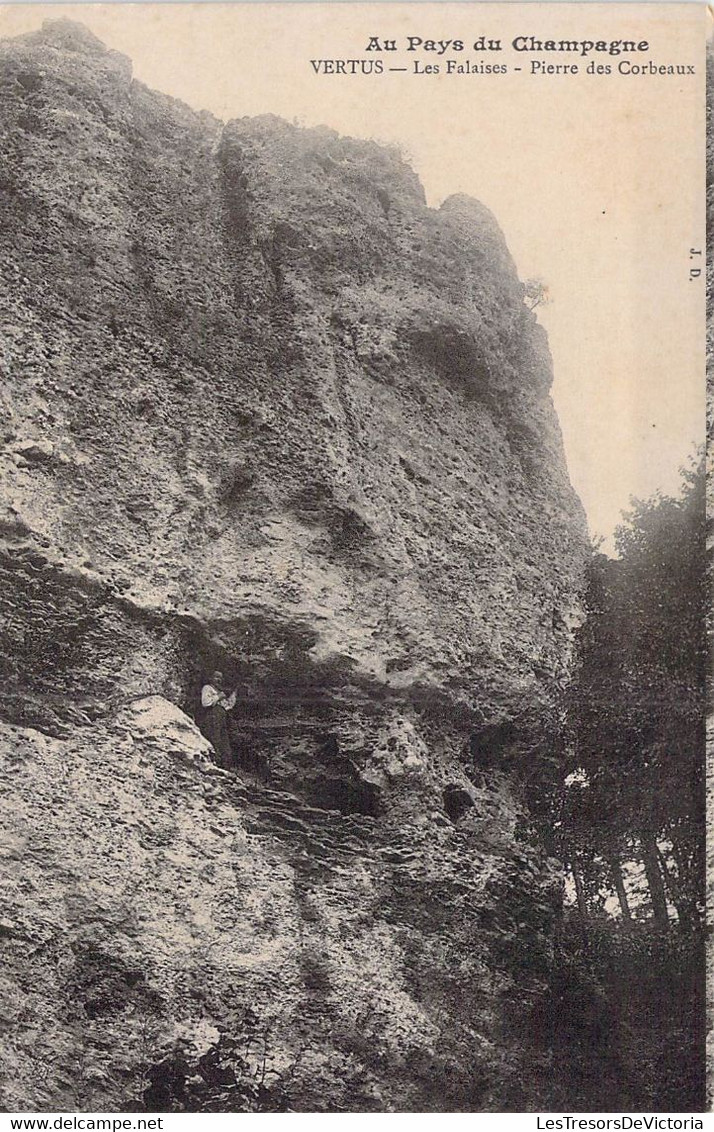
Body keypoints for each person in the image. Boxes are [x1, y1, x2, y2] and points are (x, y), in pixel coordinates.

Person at [200, 670, 237, 769]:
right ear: (211, 678)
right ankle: (215, 764)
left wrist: (233, 695)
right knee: (215, 739)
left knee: (224, 742)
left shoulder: (220, 691)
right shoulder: (207, 688)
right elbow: (205, 703)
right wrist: (218, 697)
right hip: (212, 717)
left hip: (222, 718)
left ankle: (225, 767)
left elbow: (228, 706)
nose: (218, 680)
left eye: (220, 678)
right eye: (216, 677)